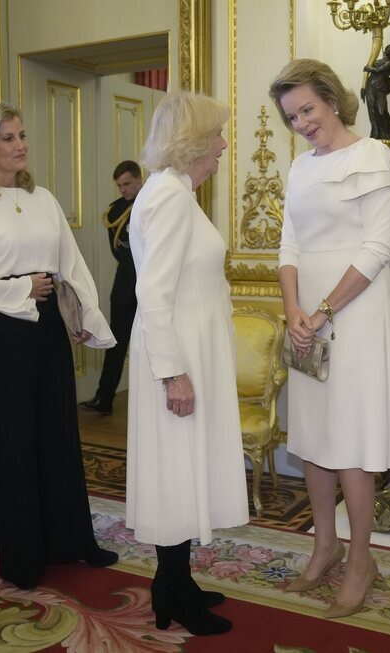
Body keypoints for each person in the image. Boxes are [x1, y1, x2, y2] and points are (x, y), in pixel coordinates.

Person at [0, 103, 119, 590]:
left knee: (58, 432)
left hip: (46, 329)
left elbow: (71, 263)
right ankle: (23, 559)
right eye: (8, 138)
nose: (20, 145)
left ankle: (72, 540)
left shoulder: (44, 199)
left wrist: (86, 316)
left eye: (22, 134)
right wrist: (18, 289)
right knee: (13, 441)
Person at [268, 59, 390, 619]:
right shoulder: (300, 168)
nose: (301, 122)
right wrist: (293, 310)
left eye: (307, 108)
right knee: (314, 434)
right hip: (308, 317)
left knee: (351, 437)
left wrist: (323, 310)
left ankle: (360, 558)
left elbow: (377, 250)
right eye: (291, 116)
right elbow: (288, 248)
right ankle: (324, 545)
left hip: (354, 311)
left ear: (331, 99)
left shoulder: (372, 154)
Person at [126, 91, 247, 636]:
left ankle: (179, 579)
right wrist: (173, 372)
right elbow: (152, 294)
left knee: (183, 464)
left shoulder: (172, 192)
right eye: (217, 135)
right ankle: (169, 589)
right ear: (195, 141)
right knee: (175, 470)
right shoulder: (169, 196)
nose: (223, 144)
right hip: (174, 355)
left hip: (186, 348)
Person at [80, 160, 143, 415]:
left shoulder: (153, 203)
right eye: (119, 186)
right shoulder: (115, 212)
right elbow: (118, 251)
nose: (123, 190)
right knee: (115, 346)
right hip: (125, 288)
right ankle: (103, 397)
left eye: (127, 184)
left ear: (140, 179)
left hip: (151, 288)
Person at [361, 44, 390, 142]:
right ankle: (376, 133)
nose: (388, 50)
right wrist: (363, 87)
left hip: (380, 88)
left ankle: (386, 133)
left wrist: (368, 68)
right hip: (370, 86)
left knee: (381, 110)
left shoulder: (389, 64)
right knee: (372, 110)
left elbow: (378, 70)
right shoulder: (380, 60)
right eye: (388, 49)